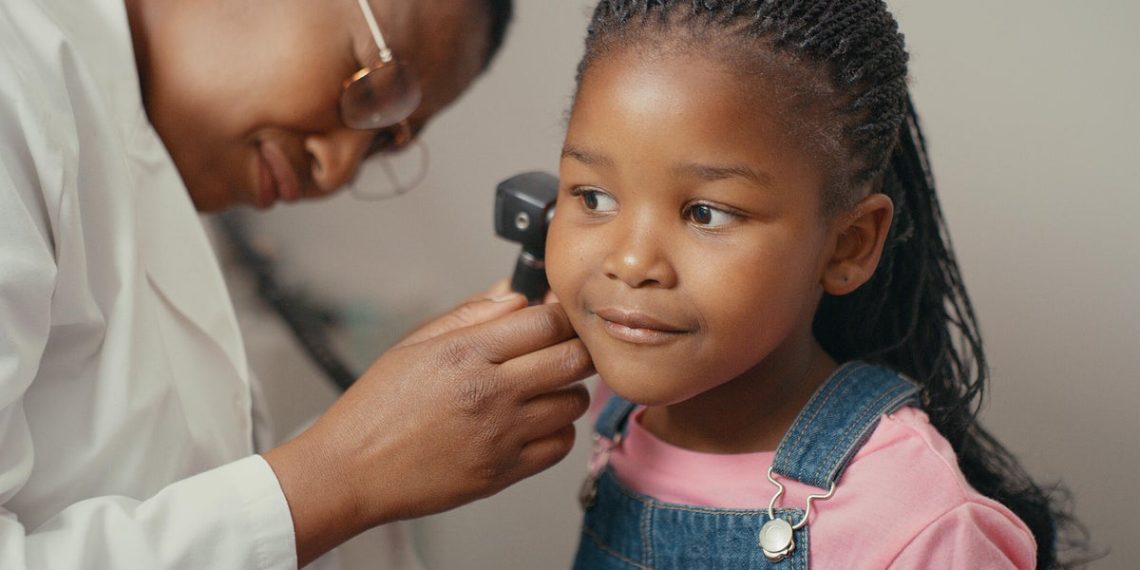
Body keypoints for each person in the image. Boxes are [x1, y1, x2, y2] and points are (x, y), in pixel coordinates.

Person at [0, 0, 593, 568]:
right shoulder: (17, 84)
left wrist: (390, 434)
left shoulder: (145, 151)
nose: (335, 170)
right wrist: (341, 475)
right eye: (374, 86)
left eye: (384, 143)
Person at [544, 0, 1079, 568]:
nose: (629, 263)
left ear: (847, 245)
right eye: (594, 198)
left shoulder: (923, 525)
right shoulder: (614, 379)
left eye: (706, 213)